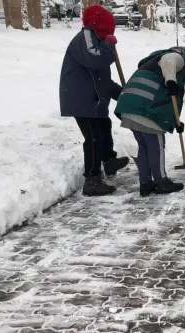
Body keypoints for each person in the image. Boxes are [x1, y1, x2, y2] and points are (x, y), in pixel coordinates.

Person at [59, 4, 128, 196]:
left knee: (104, 128)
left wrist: (122, 94)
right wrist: (110, 45)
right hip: (82, 101)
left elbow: (102, 79)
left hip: (93, 100)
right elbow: (96, 60)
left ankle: (109, 160)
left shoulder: (96, 41)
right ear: (102, 25)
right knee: (94, 138)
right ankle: (92, 179)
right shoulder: (86, 37)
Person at [114, 47, 185, 196]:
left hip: (130, 108)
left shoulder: (150, 64)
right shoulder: (180, 57)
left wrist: (176, 122)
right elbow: (169, 60)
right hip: (146, 110)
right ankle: (161, 182)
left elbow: (170, 101)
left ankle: (145, 184)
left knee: (144, 147)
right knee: (156, 148)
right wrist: (171, 81)